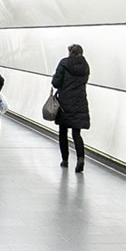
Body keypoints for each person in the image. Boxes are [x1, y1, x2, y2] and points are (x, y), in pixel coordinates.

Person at [51, 43, 92, 172]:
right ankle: (80, 158)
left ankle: (65, 160)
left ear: (70, 52)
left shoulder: (64, 63)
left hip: (65, 102)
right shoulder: (85, 66)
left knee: (63, 131)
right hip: (80, 101)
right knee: (76, 133)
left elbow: (56, 82)